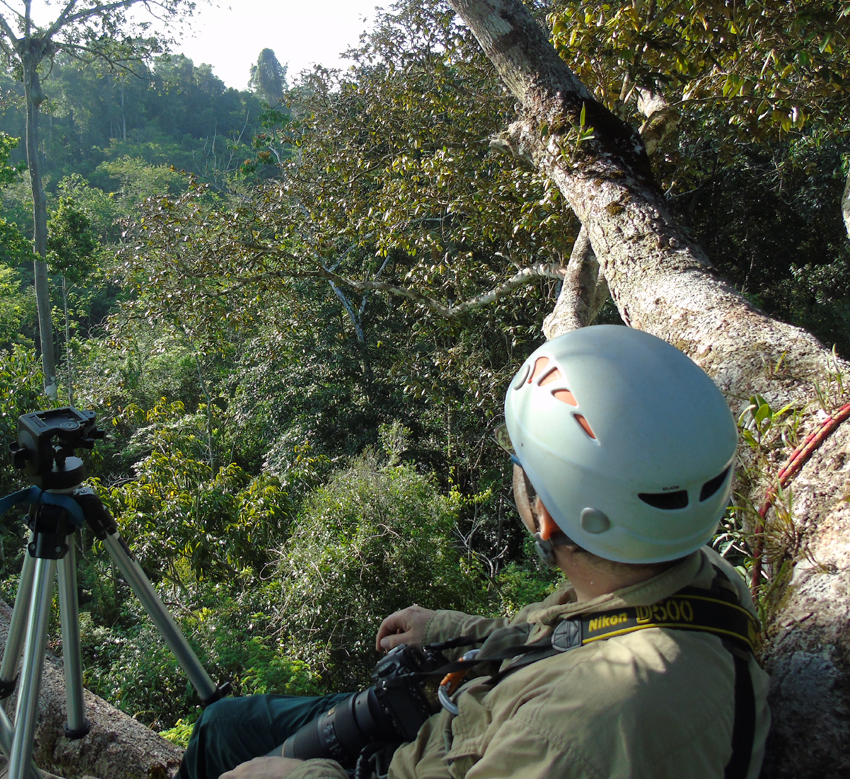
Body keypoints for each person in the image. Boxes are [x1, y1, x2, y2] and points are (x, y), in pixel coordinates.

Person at [179, 325, 770, 779]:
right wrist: (455, 629)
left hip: (438, 748)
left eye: (521, 466)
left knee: (219, 741)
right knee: (222, 724)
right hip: (462, 719)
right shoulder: (691, 576)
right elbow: (579, 636)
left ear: (548, 516)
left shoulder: (577, 732)